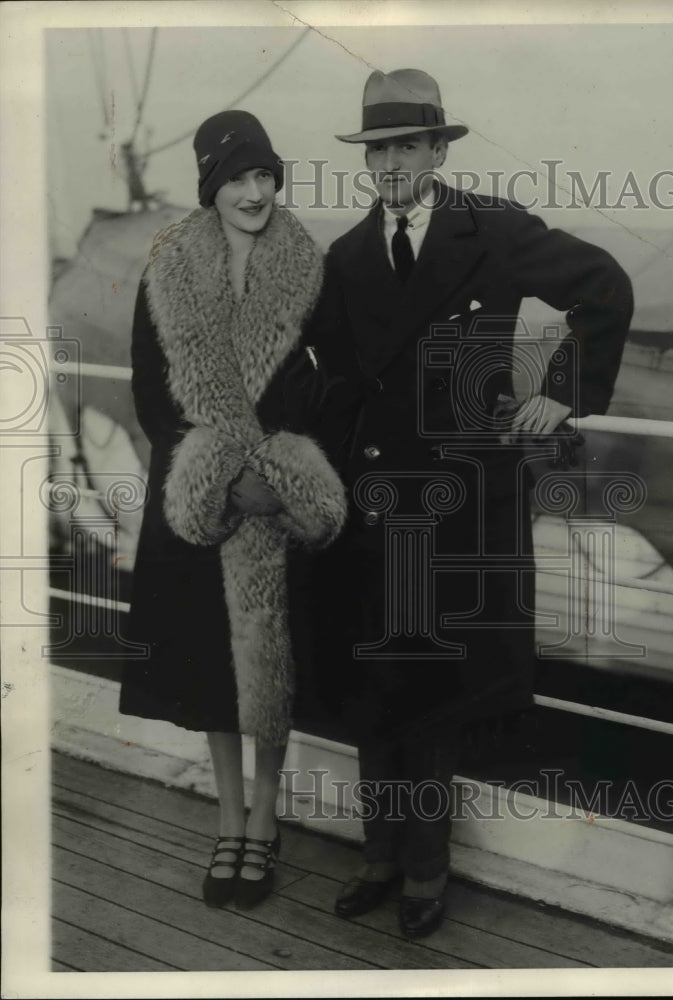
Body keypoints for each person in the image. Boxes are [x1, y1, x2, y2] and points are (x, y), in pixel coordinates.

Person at [298, 69, 634, 939]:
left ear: (439, 150)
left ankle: (424, 870)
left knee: (438, 693)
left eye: (408, 145)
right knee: (374, 684)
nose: (392, 164)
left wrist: (563, 388)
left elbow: (602, 288)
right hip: (372, 506)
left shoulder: (493, 232)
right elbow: (326, 379)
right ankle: (376, 856)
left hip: (458, 503)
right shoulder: (343, 257)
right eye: (378, 150)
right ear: (366, 161)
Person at [119, 110, 347, 910]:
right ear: (211, 186)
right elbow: (151, 392)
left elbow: (332, 388)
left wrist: (279, 477)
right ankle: (227, 819)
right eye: (238, 178)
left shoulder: (306, 267)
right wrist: (216, 481)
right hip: (200, 501)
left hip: (278, 499)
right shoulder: (169, 269)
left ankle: (265, 817)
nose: (255, 192)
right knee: (214, 667)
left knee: (272, 664)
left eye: (265, 176)